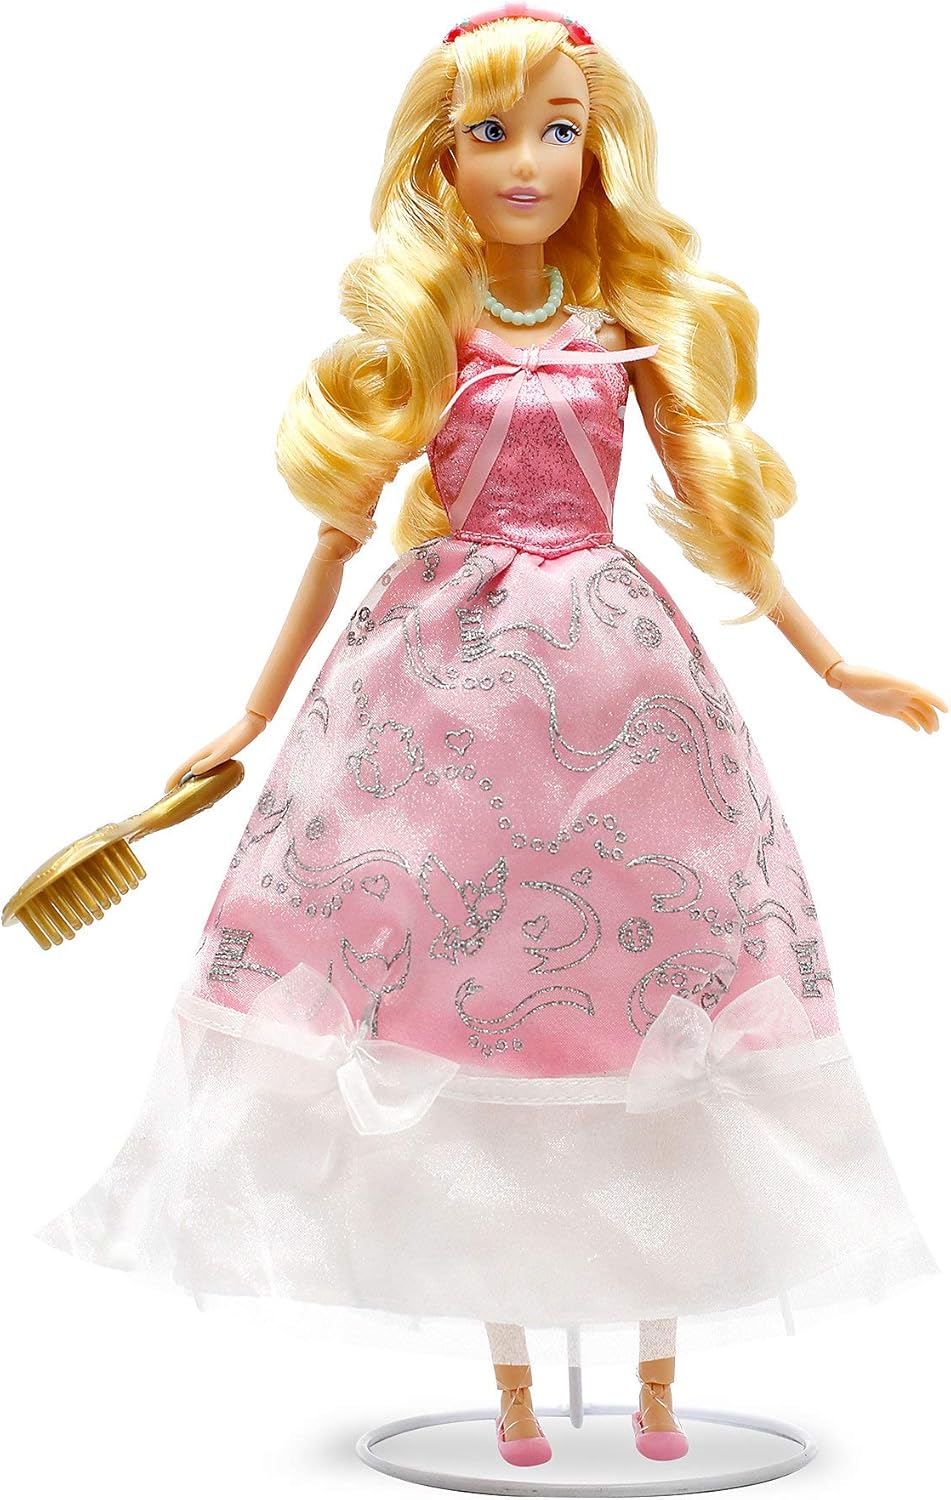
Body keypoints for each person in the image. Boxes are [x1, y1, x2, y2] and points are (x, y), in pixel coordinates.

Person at [34, 6, 944, 1469]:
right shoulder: (426, 331)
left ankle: (657, 1382)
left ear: (598, 150)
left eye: (559, 130)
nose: (529, 162)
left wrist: (837, 665)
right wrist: (252, 712)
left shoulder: (624, 324)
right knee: (464, 995)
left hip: (623, 690)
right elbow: (334, 542)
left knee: (660, 984)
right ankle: (513, 1385)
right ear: (441, 161)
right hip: (445, 694)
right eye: (492, 133)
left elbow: (718, 508)